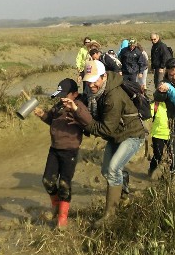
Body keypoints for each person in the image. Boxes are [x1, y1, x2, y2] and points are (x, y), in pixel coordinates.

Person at [62, 60, 146, 227]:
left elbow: (105, 129)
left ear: (104, 76)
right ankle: (123, 195)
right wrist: (77, 110)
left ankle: (110, 215)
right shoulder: (97, 93)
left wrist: (80, 116)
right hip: (117, 135)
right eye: (88, 81)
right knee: (107, 170)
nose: (91, 85)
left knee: (113, 169)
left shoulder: (112, 97)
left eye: (95, 80)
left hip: (132, 135)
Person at [33, 78, 92, 229]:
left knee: (64, 184)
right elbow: (52, 120)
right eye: (60, 94)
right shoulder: (58, 105)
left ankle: (62, 218)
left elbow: (88, 121)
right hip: (54, 149)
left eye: (65, 95)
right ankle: (55, 204)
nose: (61, 98)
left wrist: (74, 108)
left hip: (70, 150)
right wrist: (42, 115)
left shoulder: (79, 106)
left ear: (75, 94)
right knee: (48, 180)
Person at [148, 100, 171, 179]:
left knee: (173, 156)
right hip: (157, 135)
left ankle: (168, 176)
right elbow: (145, 116)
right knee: (158, 155)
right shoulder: (155, 105)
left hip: (171, 135)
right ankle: (151, 171)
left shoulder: (173, 104)